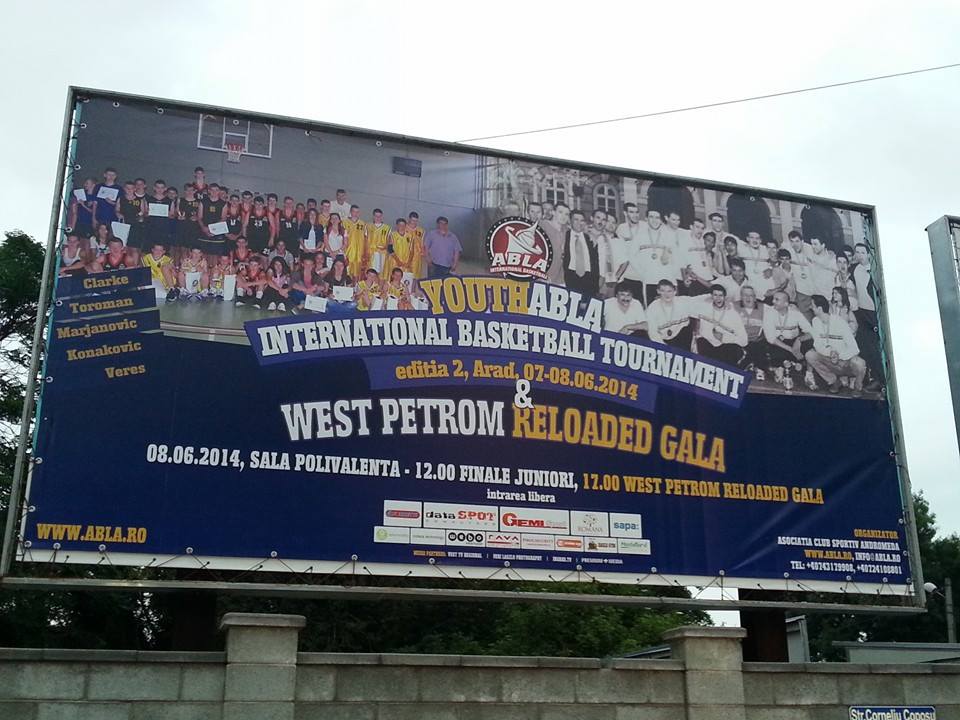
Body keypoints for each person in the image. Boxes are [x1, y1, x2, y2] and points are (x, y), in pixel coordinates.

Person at [805, 294, 866, 394]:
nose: (810, 307)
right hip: (829, 359)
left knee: (860, 363)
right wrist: (831, 353)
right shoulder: (815, 321)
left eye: (812, 305)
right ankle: (834, 381)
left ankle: (857, 387)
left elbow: (854, 348)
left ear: (819, 309)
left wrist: (840, 356)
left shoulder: (839, 322)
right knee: (810, 355)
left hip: (845, 362)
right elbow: (817, 345)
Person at [851, 242, 882, 390]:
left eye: (863, 252)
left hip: (874, 313)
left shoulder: (875, 270)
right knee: (864, 346)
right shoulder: (855, 269)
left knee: (875, 347)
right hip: (861, 312)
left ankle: (881, 380)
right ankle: (870, 376)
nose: (860, 255)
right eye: (857, 252)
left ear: (869, 254)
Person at [762, 290, 813, 380]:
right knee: (772, 347)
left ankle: (807, 373)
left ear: (786, 304)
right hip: (778, 343)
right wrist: (791, 350)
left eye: (777, 299)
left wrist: (799, 340)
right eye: (773, 299)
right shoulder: (769, 313)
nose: (773, 301)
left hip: (794, 342)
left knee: (809, 342)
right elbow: (771, 338)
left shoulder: (795, 313)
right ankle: (784, 365)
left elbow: (810, 331)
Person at [692, 285, 747, 366]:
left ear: (725, 297)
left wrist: (723, 338)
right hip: (706, 347)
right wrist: (705, 298)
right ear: (711, 296)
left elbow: (744, 340)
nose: (718, 298)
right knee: (701, 342)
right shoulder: (704, 308)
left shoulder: (733, 314)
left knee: (734, 350)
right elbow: (689, 303)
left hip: (724, 348)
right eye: (715, 295)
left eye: (720, 295)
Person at [562, 210, 599, 298]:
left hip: (588, 278)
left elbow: (595, 262)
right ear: (570, 221)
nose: (579, 223)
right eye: (576, 220)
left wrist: (596, 283)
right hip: (571, 276)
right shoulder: (565, 235)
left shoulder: (590, 238)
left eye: (582, 220)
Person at [646, 279, 693, 348]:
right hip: (663, 340)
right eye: (663, 291)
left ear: (675, 292)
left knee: (686, 330)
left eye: (669, 291)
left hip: (681, 337)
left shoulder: (683, 301)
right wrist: (665, 348)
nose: (666, 294)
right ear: (658, 291)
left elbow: (701, 300)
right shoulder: (652, 308)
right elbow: (653, 333)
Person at [680, 218, 715, 296]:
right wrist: (685, 278)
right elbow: (682, 263)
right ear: (691, 227)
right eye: (697, 227)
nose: (700, 230)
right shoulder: (684, 242)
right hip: (695, 281)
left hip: (707, 280)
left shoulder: (703, 241)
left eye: (702, 228)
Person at [736, 286, 767, 370]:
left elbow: (778, 310)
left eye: (751, 295)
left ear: (755, 297)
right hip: (738, 342)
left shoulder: (765, 308)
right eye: (745, 295)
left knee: (760, 359)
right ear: (741, 296)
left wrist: (791, 306)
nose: (748, 298)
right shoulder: (732, 306)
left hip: (756, 342)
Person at [785, 230, 815, 317]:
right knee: (805, 318)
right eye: (792, 241)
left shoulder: (810, 250)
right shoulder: (789, 252)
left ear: (802, 241)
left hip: (814, 292)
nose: (795, 244)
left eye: (797, 241)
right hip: (801, 293)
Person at [198, 183, 227, 260]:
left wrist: (211, 229)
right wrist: (203, 228)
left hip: (216, 232)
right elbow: (199, 217)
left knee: (215, 256)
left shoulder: (223, 204)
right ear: (209, 191)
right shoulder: (203, 202)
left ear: (219, 191)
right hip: (204, 231)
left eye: (216, 190)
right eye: (212, 190)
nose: (214, 192)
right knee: (203, 255)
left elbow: (223, 219)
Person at [344, 205, 368, 279]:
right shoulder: (344, 222)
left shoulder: (363, 224)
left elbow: (366, 238)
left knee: (357, 273)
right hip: (348, 251)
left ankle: (356, 285)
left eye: (357, 212)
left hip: (359, 252)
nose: (355, 213)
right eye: (354, 211)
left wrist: (365, 252)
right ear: (350, 212)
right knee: (347, 271)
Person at [367, 208, 392, 275]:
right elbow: (365, 240)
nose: (378, 218)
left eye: (379, 216)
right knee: (371, 272)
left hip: (382, 253)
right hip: (371, 252)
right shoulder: (368, 226)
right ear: (373, 216)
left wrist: (386, 247)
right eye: (376, 216)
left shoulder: (387, 228)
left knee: (381, 273)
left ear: (382, 217)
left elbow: (390, 241)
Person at [407, 211, 426, 278]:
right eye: (412, 220)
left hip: (416, 256)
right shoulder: (403, 227)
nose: (414, 222)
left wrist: (423, 252)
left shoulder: (421, 231)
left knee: (415, 275)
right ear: (409, 219)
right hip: (405, 254)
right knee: (404, 273)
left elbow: (422, 243)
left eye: (416, 221)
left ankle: (413, 285)